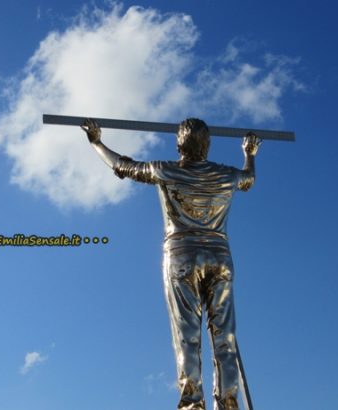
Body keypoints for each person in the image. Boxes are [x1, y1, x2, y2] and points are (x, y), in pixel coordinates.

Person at [81, 118, 261, 410]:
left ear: (179, 144)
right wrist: (250, 153)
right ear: (207, 146)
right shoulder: (225, 175)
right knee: (225, 339)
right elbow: (248, 179)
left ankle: (192, 405)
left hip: (181, 255)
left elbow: (123, 166)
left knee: (187, 337)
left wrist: (96, 142)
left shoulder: (165, 170)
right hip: (219, 256)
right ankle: (228, 404)